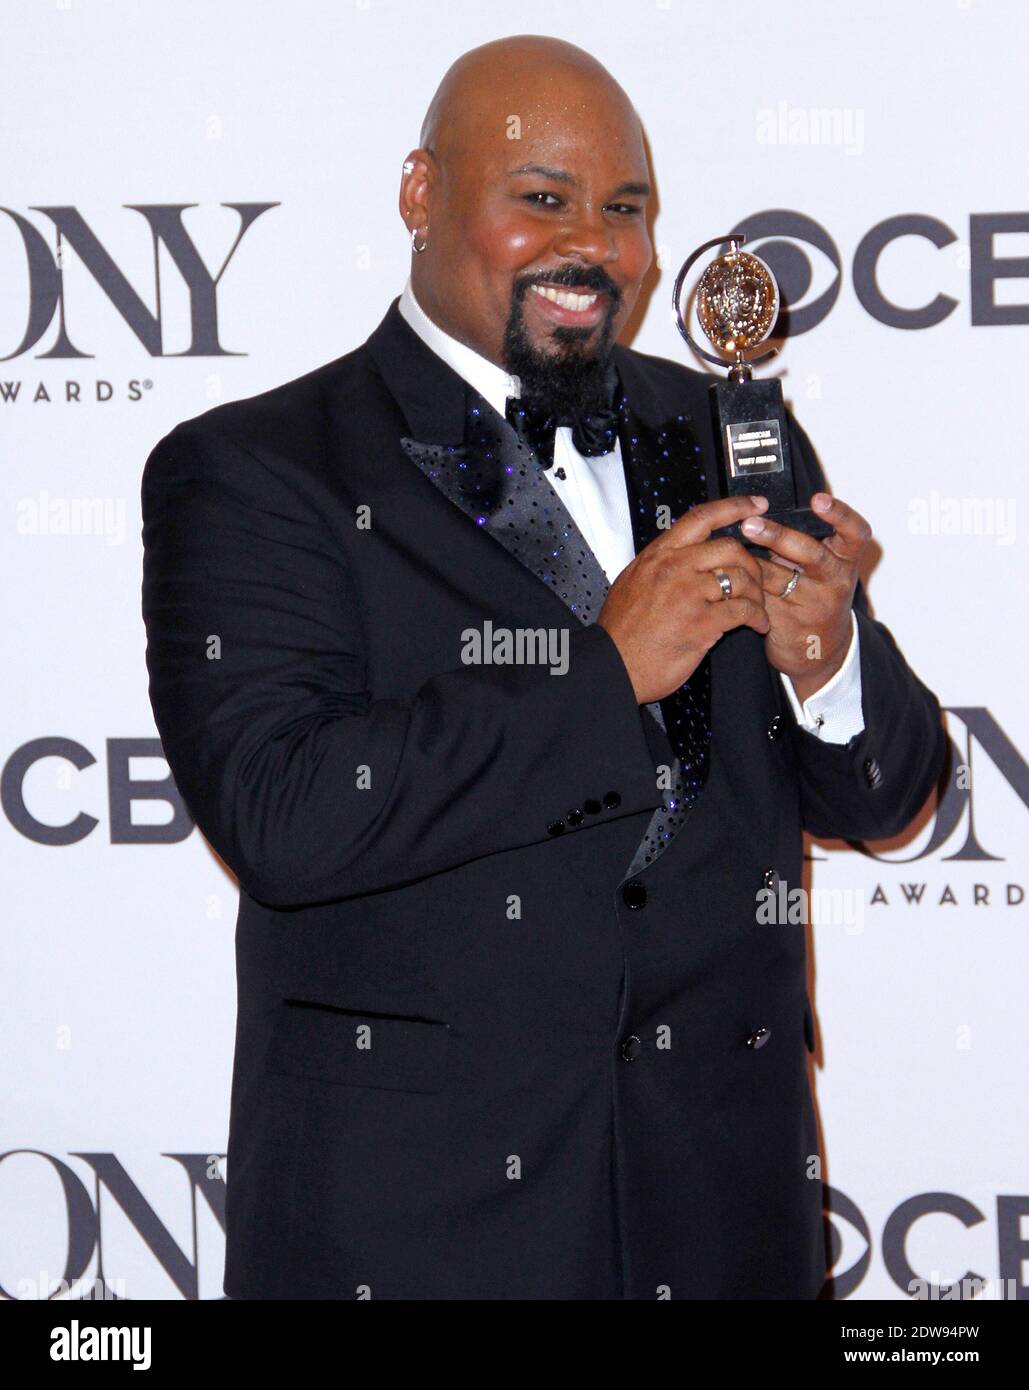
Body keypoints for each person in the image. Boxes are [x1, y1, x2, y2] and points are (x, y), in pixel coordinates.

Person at [140, 34, 946, 1300]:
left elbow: (890, 797)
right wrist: (602, 671)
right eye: (544, 199)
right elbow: (282, 812)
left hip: (725, 1211)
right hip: (419, 1226)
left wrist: (831, 661)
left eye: (626, 210)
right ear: (421, 194)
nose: (597, 246)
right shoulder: (261, 468)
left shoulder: (728, 431)